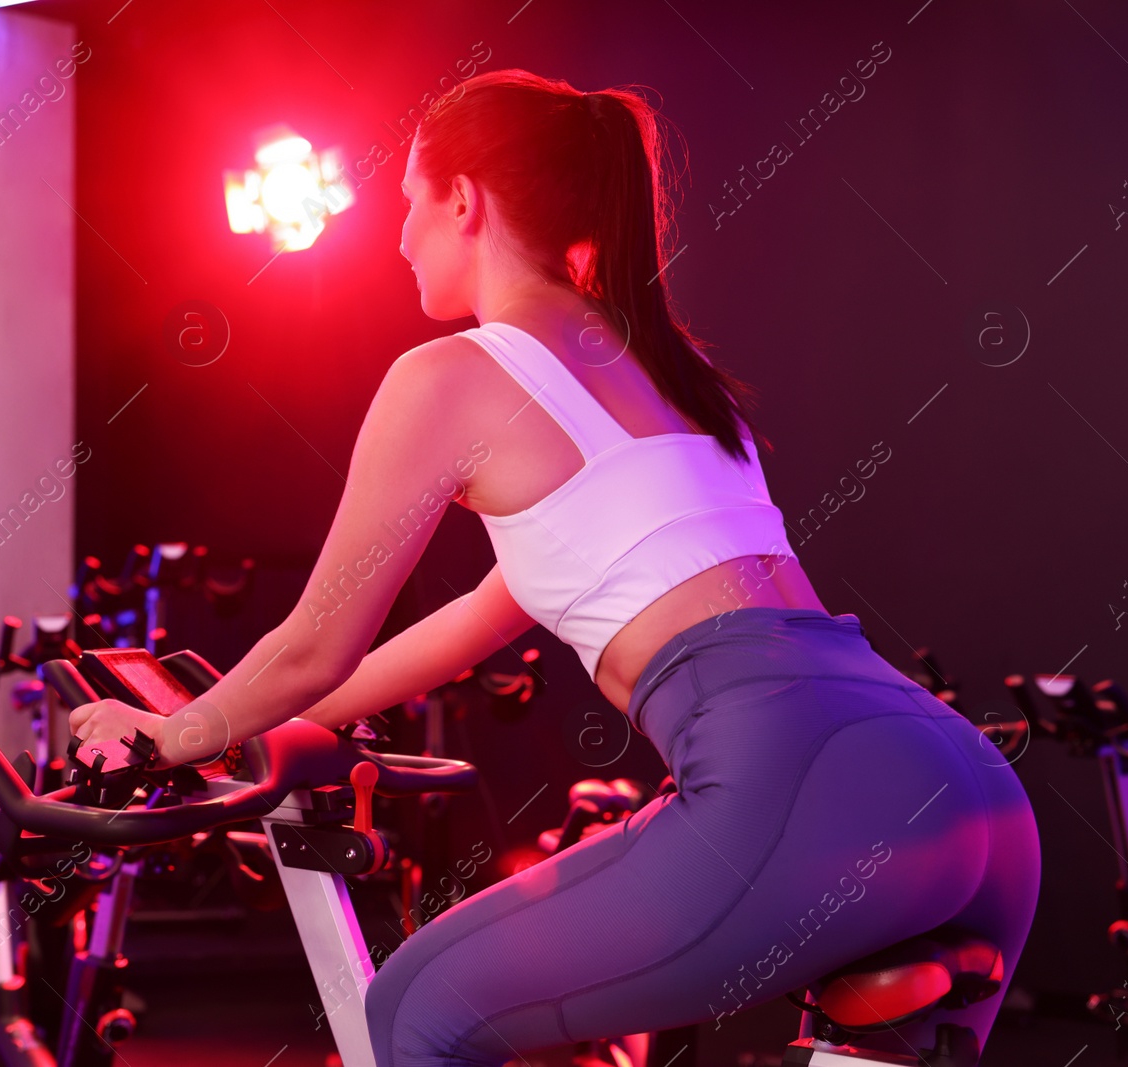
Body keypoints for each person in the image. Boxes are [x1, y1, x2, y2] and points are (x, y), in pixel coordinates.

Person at [69, 69, 1041, 1067]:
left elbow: (315, 640)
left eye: (408, 200)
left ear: (462, 200)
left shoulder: (448, 374)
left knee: (408, 1011)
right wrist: (259, 720)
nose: (400, 235)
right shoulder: (671, 371)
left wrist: (164, 735)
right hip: (963, 787)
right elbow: (478, 615)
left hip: (791, 782)